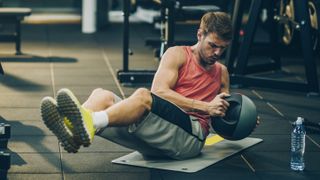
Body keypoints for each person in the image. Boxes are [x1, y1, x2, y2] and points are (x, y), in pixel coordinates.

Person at [41, 12, 234, 159]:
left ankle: (85, 123)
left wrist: (242, 118)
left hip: (189, 140)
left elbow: (224, 116)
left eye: (222, 48)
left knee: (143, 96)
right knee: (102, 96)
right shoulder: (178, 54)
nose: (217, 52)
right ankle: (73, 134)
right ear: (200, 35)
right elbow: (160, 93)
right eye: (212, 45)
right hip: (158, 134)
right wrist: (205, 106)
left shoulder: (221, 72)